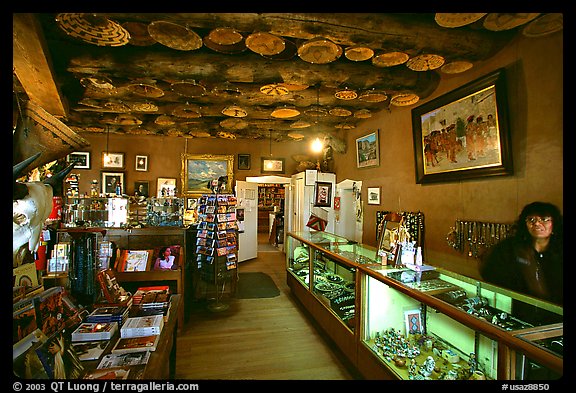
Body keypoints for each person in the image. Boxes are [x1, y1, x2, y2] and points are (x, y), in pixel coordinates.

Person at [480, 202, 563, 306]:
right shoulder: (509, 247)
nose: (537, 223)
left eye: (544, 219)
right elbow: (489, 272)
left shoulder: (559, 250)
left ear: (554, 223)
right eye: (531, 220)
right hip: (517, 310)